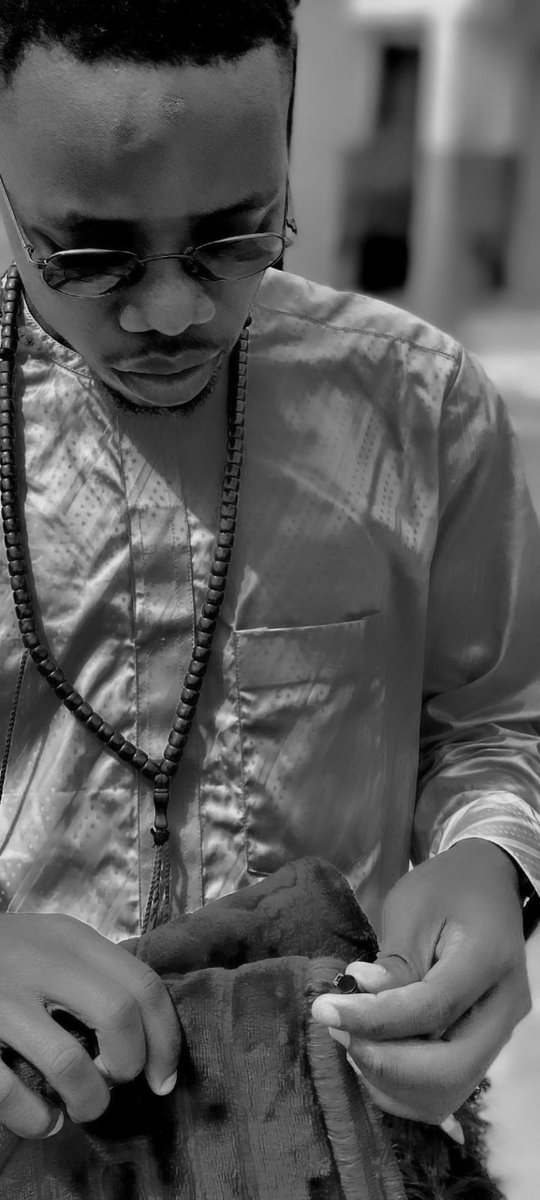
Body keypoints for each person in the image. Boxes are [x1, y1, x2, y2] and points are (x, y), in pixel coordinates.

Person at [0, 0, 539, 1156]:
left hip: (345, 1130)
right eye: (89, 255)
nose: (172, 309)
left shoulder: (419, 411)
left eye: (236, 236)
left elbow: (495, 722)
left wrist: (493, 862)